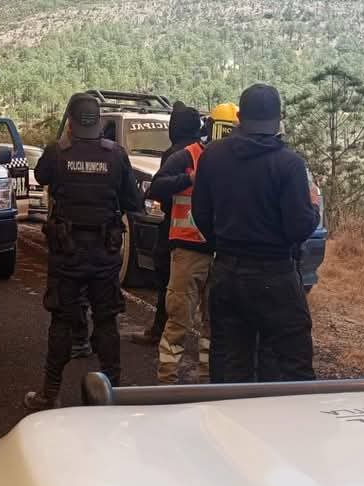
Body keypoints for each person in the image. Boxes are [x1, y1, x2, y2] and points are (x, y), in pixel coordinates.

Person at [192, 84, 319, 383]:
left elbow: (200, 214)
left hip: (225, 273)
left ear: (240, 117)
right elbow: (299, 227)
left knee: (228, 365)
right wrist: (312, 208)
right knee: (290, 368)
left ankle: (226, 427)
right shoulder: (289, 164)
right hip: (275, 276)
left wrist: (224, 245)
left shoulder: (212, 157)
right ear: (277, 120)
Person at [24, 93, 142, 410]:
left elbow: (40, 176)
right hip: (105, 253)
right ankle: (113, 391)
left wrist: (65, 140)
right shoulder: (116, 155)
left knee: (62, 320)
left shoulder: (57, 152)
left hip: (67, 252)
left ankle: (49, 393)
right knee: (106, 321)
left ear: (72, 123)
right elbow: (134, 202)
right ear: (100, 122)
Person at [148, 103, 237, 384]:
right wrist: (189, 178)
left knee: (214, 325)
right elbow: (156, 187)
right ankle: (166, 382)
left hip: (221, 254)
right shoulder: (187, 156)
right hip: (188, 251)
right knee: (178, 322)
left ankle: (207, 382)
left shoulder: (236, 161)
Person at [129, 102, 203, 346]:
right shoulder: (205, 151)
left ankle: (163, 334)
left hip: (176, 230)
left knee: (168, 287)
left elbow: (158, 190)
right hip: (206, 234)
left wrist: (186, 179)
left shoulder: (176, 154)